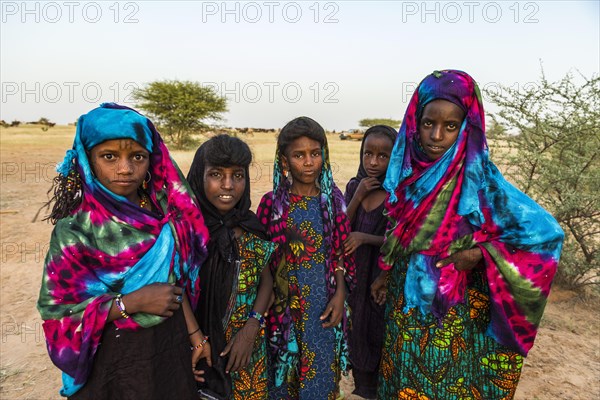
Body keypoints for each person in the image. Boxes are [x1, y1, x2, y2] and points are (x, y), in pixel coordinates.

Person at [370, 70, 564, 399]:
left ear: (466, 127)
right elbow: (399, 230)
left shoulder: (480, 180)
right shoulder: (407, 172)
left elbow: (546, 234)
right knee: (401, 377)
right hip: (405, 303)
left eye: (450, 126)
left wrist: (478, 254)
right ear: (415, 121)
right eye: (428, 123)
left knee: (443, 384)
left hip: (450, 313)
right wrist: (384, 274)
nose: (435, 135)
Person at [37, 103, 210, 399]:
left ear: (152, 160)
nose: (125, 168)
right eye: (109, 157)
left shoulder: (163, 216)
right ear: (87, 160)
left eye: (137, 157)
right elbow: (58, 316)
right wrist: (131, 303)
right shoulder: (75, 230)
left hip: (167, 350)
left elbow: (175, 283)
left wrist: (195, 338)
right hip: (109, 362)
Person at [256, 116, 356, 399]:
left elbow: (340, 252)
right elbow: (262, 258)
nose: (309, 162)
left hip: (323, 308)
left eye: (315, 153)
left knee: (320, 381)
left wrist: (340, 294)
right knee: (283, 382)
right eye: (299, 155)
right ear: (285, 161)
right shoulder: (271, 204)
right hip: (282, 312)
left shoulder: (333, 200)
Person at [186, 134, 276, 399]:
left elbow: (267, 281)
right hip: (198, 352)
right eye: (216, 174)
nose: (228, 185)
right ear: (198, 177)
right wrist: (196, 340)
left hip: (246, 353)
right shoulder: (186, 231)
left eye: (237, 175)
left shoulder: (250, 225)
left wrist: (251, 329)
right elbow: (173, 287)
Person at [343, 125, 397, 399]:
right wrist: (357, 196)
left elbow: (398, 239)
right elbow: (340, 227)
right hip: (354, 274)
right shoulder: (355, 186)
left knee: (377, 329)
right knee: (355, 327)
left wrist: (364, 237)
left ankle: (373, 389)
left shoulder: (397, 194)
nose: (373, 162)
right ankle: (361, 386)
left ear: (395, 156)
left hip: (379, 275)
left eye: (382, 156)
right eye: (368, 154)